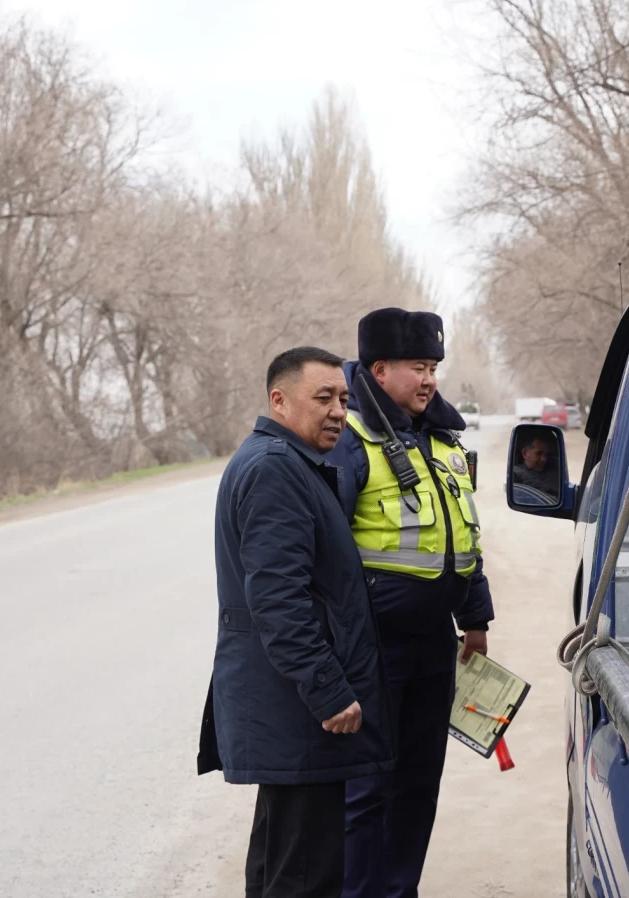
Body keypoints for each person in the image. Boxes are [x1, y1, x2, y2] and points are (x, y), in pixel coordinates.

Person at [198, 346, 392, 898]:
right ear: (278, 400)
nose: (338, 411)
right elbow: (278, 600)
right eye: (323, 398)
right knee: (305, 873)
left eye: (344, 399)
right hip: (300, 712)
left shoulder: (288, 463)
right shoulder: (275, 471)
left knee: (282, 864)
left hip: (290, 711)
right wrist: (330, 692)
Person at [330, 309, 495, 898]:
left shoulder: (444, 440)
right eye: (416, 368)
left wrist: (474, 620)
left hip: (433, 649)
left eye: (432, 368)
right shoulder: (350, 440)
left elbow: (462, 537)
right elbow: (326, 550)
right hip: (373, 648)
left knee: (418, 786)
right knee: (366, 790)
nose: (429, 380)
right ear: (378, 370)